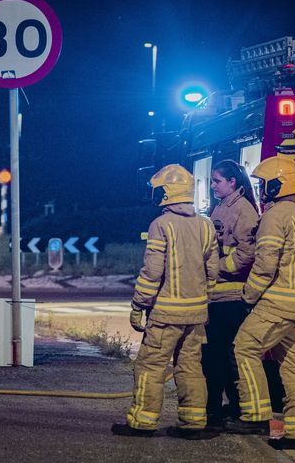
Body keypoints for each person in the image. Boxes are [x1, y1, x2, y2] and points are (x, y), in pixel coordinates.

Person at [112, 164, 220, 440]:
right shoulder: (205, 225)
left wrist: (139, 306)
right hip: (196, 316)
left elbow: (152, 272)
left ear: (167, 193)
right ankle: (194, 423)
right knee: (191, 368)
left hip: (166, 315)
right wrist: (202, 298)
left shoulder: (161, 225)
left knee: (150, 366)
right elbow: (213, 270)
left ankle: (142, 422)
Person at [223, 154, 295, 451]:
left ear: (278, 184)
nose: (262, 189)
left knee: (244, 347)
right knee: (292, 365)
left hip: (278, 301)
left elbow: (265, 264)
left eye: (265, 184)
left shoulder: (276, 216)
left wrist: (248, 297)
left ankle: (254, 414)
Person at [202, 160, 260, 429]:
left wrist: (220, 268)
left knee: (227, 356)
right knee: (216, 355)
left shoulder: (244, 211)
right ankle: (223, 407)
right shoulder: (223, 206)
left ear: (232, 182)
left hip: (232, 297)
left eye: (216, 181)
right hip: (218, 297)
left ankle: (237, 409)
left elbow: (248, 253)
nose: (212, 186)